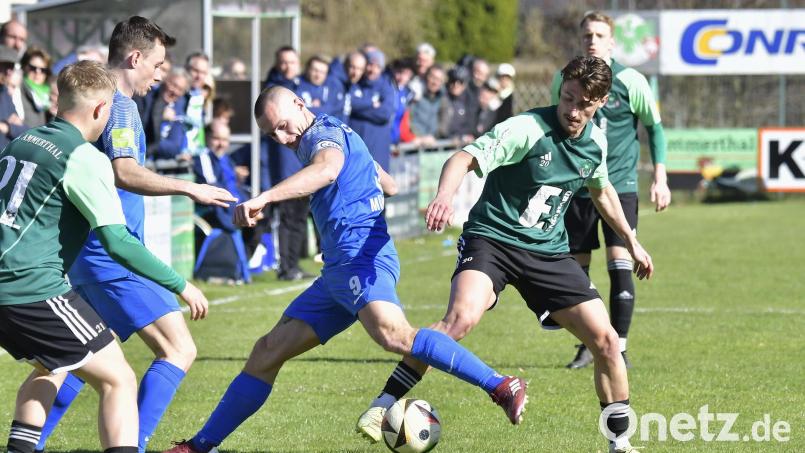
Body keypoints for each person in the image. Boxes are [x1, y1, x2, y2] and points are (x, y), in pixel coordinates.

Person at [162, 86, 528, 453]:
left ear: (300, 105)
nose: (283, 138)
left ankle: (500, 385)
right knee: (266, 351)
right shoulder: (334, 130)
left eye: (284, 127)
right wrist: (365, 175)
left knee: (394, 334)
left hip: (361, 258)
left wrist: (265, 197)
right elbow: (390, 184)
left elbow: (328, 168)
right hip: (338, 269)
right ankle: (199, 446)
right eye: (273, 134)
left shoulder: (321, 135)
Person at [355, 56, 653, 453]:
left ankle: (620, 443)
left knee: (608, 342)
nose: (572, 109)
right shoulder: (527, 128)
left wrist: (631, 241)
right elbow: (461, 158)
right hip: (492, 240)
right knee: (459, 320)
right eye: (567, 98)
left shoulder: (595, 143)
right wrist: (443, 197)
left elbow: (602, 191)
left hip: (548, 253)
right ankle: (383, 404)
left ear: (599, 103)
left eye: (583, 103)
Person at [34, 17, 236, 453]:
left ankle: (28, 443)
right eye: (158, 64)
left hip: (88, 253)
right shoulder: (120, 105)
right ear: (135, 57)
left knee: (77, 358)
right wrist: (189, 186)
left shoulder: (98, 99)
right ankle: (135, 445)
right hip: (113, 255)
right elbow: (125, 172)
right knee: (179, 348)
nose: (161, 74)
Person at [0, 60, 209, 453]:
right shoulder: (83, 157)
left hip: (10, 288)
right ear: (100, 110)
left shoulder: (22, 141)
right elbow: (119, 242)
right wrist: (182, 284)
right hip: (31, 289)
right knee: (119, 380)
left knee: (52, 366)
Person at [551, 11, 670, 370]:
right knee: (577, 272)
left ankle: (619, 346)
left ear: (612, 41)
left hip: (620, 185)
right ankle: (587, 345)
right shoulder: (567, 80)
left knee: (621, 265)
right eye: (587, 34)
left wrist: (660, 176)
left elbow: (656, 128)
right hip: (577, 187)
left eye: (600, 35)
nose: (592, 40)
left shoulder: (631, 81)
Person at [348, 48, 396, 172]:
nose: (372, 70)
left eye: (377, 66)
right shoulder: (354, 84)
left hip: (378, 154)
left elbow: (384, 114)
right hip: (354, 152)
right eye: (370, 65)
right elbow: (350, 103)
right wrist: (371, 104)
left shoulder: (387, 87)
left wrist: (358, 110)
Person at [19, 46, 52, 128]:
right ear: (24, 67)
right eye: (33, 68)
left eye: (43, 70)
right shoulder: (17, 88)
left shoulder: (49, 95)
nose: (38, 73)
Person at [0, 45, 25, 150]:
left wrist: (7, 127)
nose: (9, 72)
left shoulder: (4, 93)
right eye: (5, 66)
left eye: (11, 67)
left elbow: (24, 130)